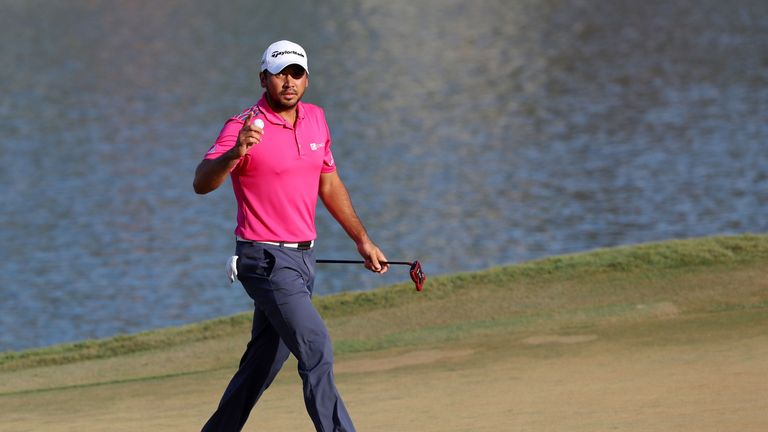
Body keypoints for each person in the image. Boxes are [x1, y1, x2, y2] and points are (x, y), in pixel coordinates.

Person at [193, 40, 388, 432]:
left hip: (303, 261)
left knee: (262, 364)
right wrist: (234, 154)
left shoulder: (316, 119)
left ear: (306, 79)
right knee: (316, 347)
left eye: (296, 73)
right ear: (263, 78)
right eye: (280, 73)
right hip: (264, 260)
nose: (288, 81)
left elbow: (328, 184)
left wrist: (362, 240)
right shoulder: (244, 125)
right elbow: (201, 182)